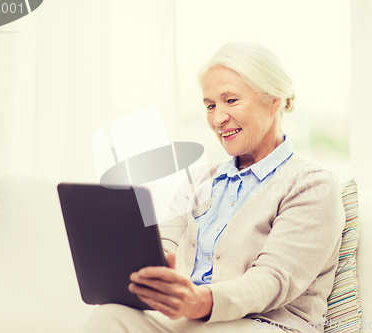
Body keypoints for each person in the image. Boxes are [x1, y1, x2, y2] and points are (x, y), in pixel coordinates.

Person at [79, 42, 345, 333]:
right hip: (192, 320)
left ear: (275, 100)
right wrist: (154, 269)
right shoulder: (199, 180)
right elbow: (166, 243)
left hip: (267, 324)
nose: (218, 119)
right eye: (210, 105)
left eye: (231, 101)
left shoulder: (312, 184)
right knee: (108, 317)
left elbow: (273, 280)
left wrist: (201, 301)